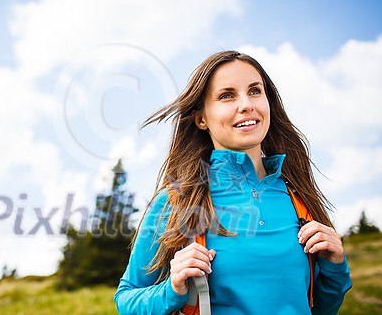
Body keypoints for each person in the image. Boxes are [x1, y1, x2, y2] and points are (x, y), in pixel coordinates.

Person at [114, 50, 352, 314]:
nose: (246, 104)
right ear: (201, 118)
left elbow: (321, 309)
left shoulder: (299, 200)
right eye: (227, 95)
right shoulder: (175, 201)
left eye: (255, 91)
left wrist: (335, 266)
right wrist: (172, 289)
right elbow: (127, 301)